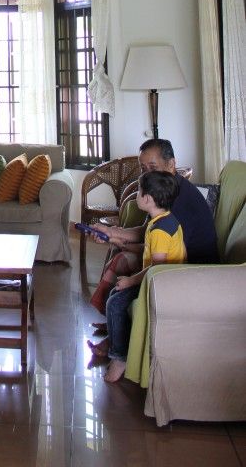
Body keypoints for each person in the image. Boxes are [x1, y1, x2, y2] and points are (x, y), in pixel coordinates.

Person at [86, 138, 218, 329]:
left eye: (153, 167)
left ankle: (115, 330)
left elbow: (160, 249)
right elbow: (148, 232)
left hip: (188, 268)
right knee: (119, 256)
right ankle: (114, 324)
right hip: (169, 257)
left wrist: (120, 241)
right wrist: (112, 232)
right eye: (143, 168)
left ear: (171, 164)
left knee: (121, 259)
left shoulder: (178, 199)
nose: (147, 174)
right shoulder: (166, 190)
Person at [101, 170, 187, 382]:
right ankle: (121, 347)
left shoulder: (159, 230)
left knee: (115, 303)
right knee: (114, 294)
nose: (136, 195)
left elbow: (156, 268)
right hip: (160, 279)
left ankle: (120, 358)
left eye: (138, 191)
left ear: (147, 198)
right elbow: (150, 251)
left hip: (162, 284)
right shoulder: (163, 220)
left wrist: (130, 280)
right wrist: (120, 242)